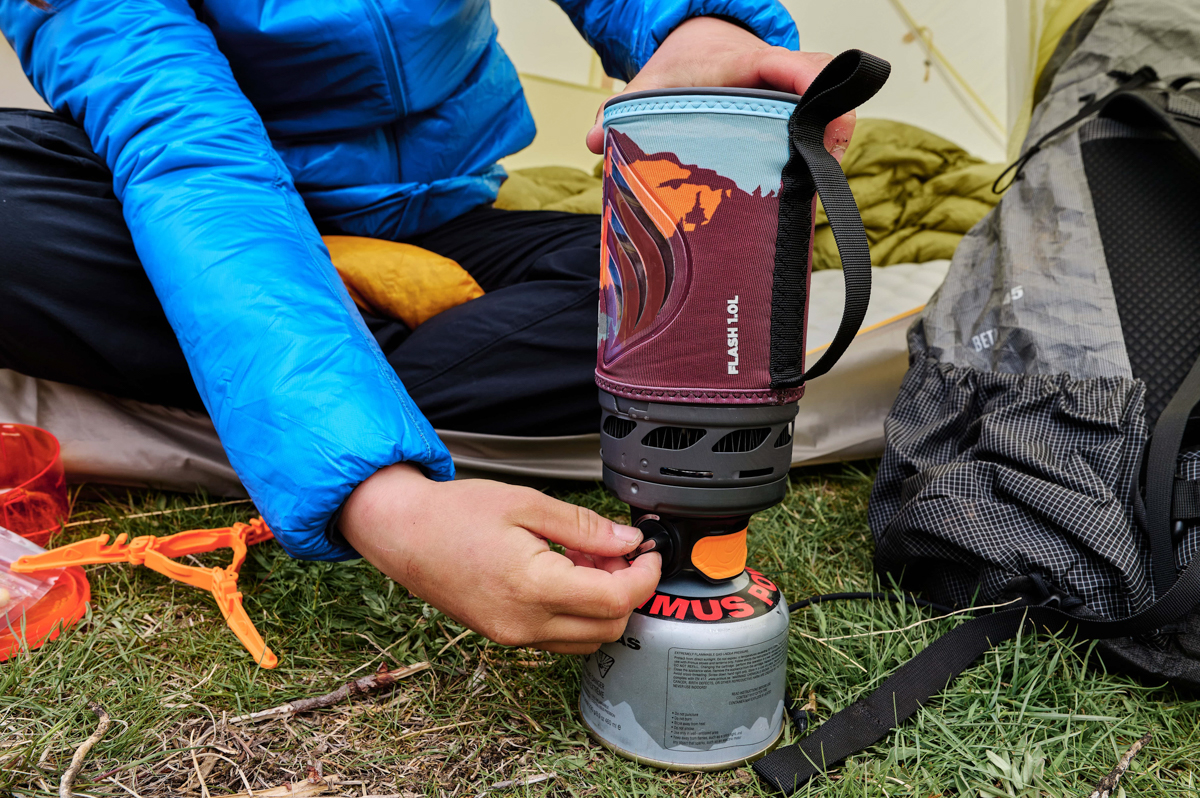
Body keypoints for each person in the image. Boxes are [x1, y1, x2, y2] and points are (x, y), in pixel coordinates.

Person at [0, 0, 854, 654]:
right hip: (205, 214)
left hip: (442, 223)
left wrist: (697, 24)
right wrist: (392, 508)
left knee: (676, 292)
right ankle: (323, 362)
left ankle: (306, 369)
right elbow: (188, 159)